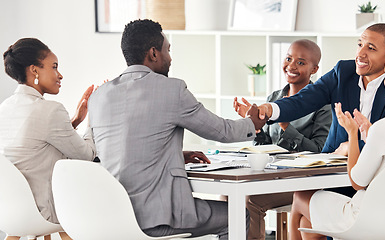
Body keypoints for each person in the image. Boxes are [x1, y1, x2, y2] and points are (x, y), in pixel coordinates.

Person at [87, 19, 266, 240]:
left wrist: (173, 155)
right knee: (238, 215)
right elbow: (222, 131)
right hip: (156, 220)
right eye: (168, 51)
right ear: (153, 53)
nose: (170, 58)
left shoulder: (99, 96)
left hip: (111, 218)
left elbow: (106, 151)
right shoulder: (172, 89)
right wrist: (252, 123)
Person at [234, 23, 385, 239]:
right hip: (332, 173)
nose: (360, 53)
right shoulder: (344, 72)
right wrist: (269, 109)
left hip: (371, 179)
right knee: (307, 222)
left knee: (306, 216)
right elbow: (305, 99)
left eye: (371, 48)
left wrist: (353, 146)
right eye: (360, 44)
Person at [288, 45, 385, 240]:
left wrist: (352, 134)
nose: (384, 82)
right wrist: (369, 135)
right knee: (308, 224)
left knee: (299, 198)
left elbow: (357, 181)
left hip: (363, 219)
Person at [0, 38, 96, 240]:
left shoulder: (5, 107)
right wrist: (96, 116)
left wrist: (74, 121)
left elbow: (40, 142)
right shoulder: (50, 110)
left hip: (9, 209)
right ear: (34, 70)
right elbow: (87, 155)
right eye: (54, 67)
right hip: (44, 210)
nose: (60, 75)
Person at [233, 39, 331, 240]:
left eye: (301, 62)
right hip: (273, 176)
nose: (292, 66)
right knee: (228, 196)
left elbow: (320, 151)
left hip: (302, 183)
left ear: (315, 69)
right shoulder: (274, 98)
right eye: (288, 58)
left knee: (249, 201)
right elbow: (264, 146)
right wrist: (255, 126)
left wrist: (286, 125)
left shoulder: (323, 105)